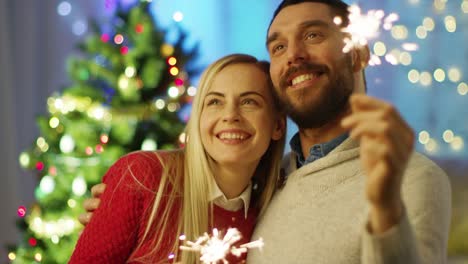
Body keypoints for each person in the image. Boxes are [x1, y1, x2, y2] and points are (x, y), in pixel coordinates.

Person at [82, 1, 452, 263]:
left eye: (312, 35)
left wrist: (385, 206)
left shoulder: (410, 180)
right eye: (278, 46)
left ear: (357, 53)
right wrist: (127, 202)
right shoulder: (265, 183)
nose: (293, 55)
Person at [69, 54, 286, 263]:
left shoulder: (271, 218)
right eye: (214, 102)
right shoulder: (142, 177)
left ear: (277, 125)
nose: (230, 115)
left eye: (249, 102)